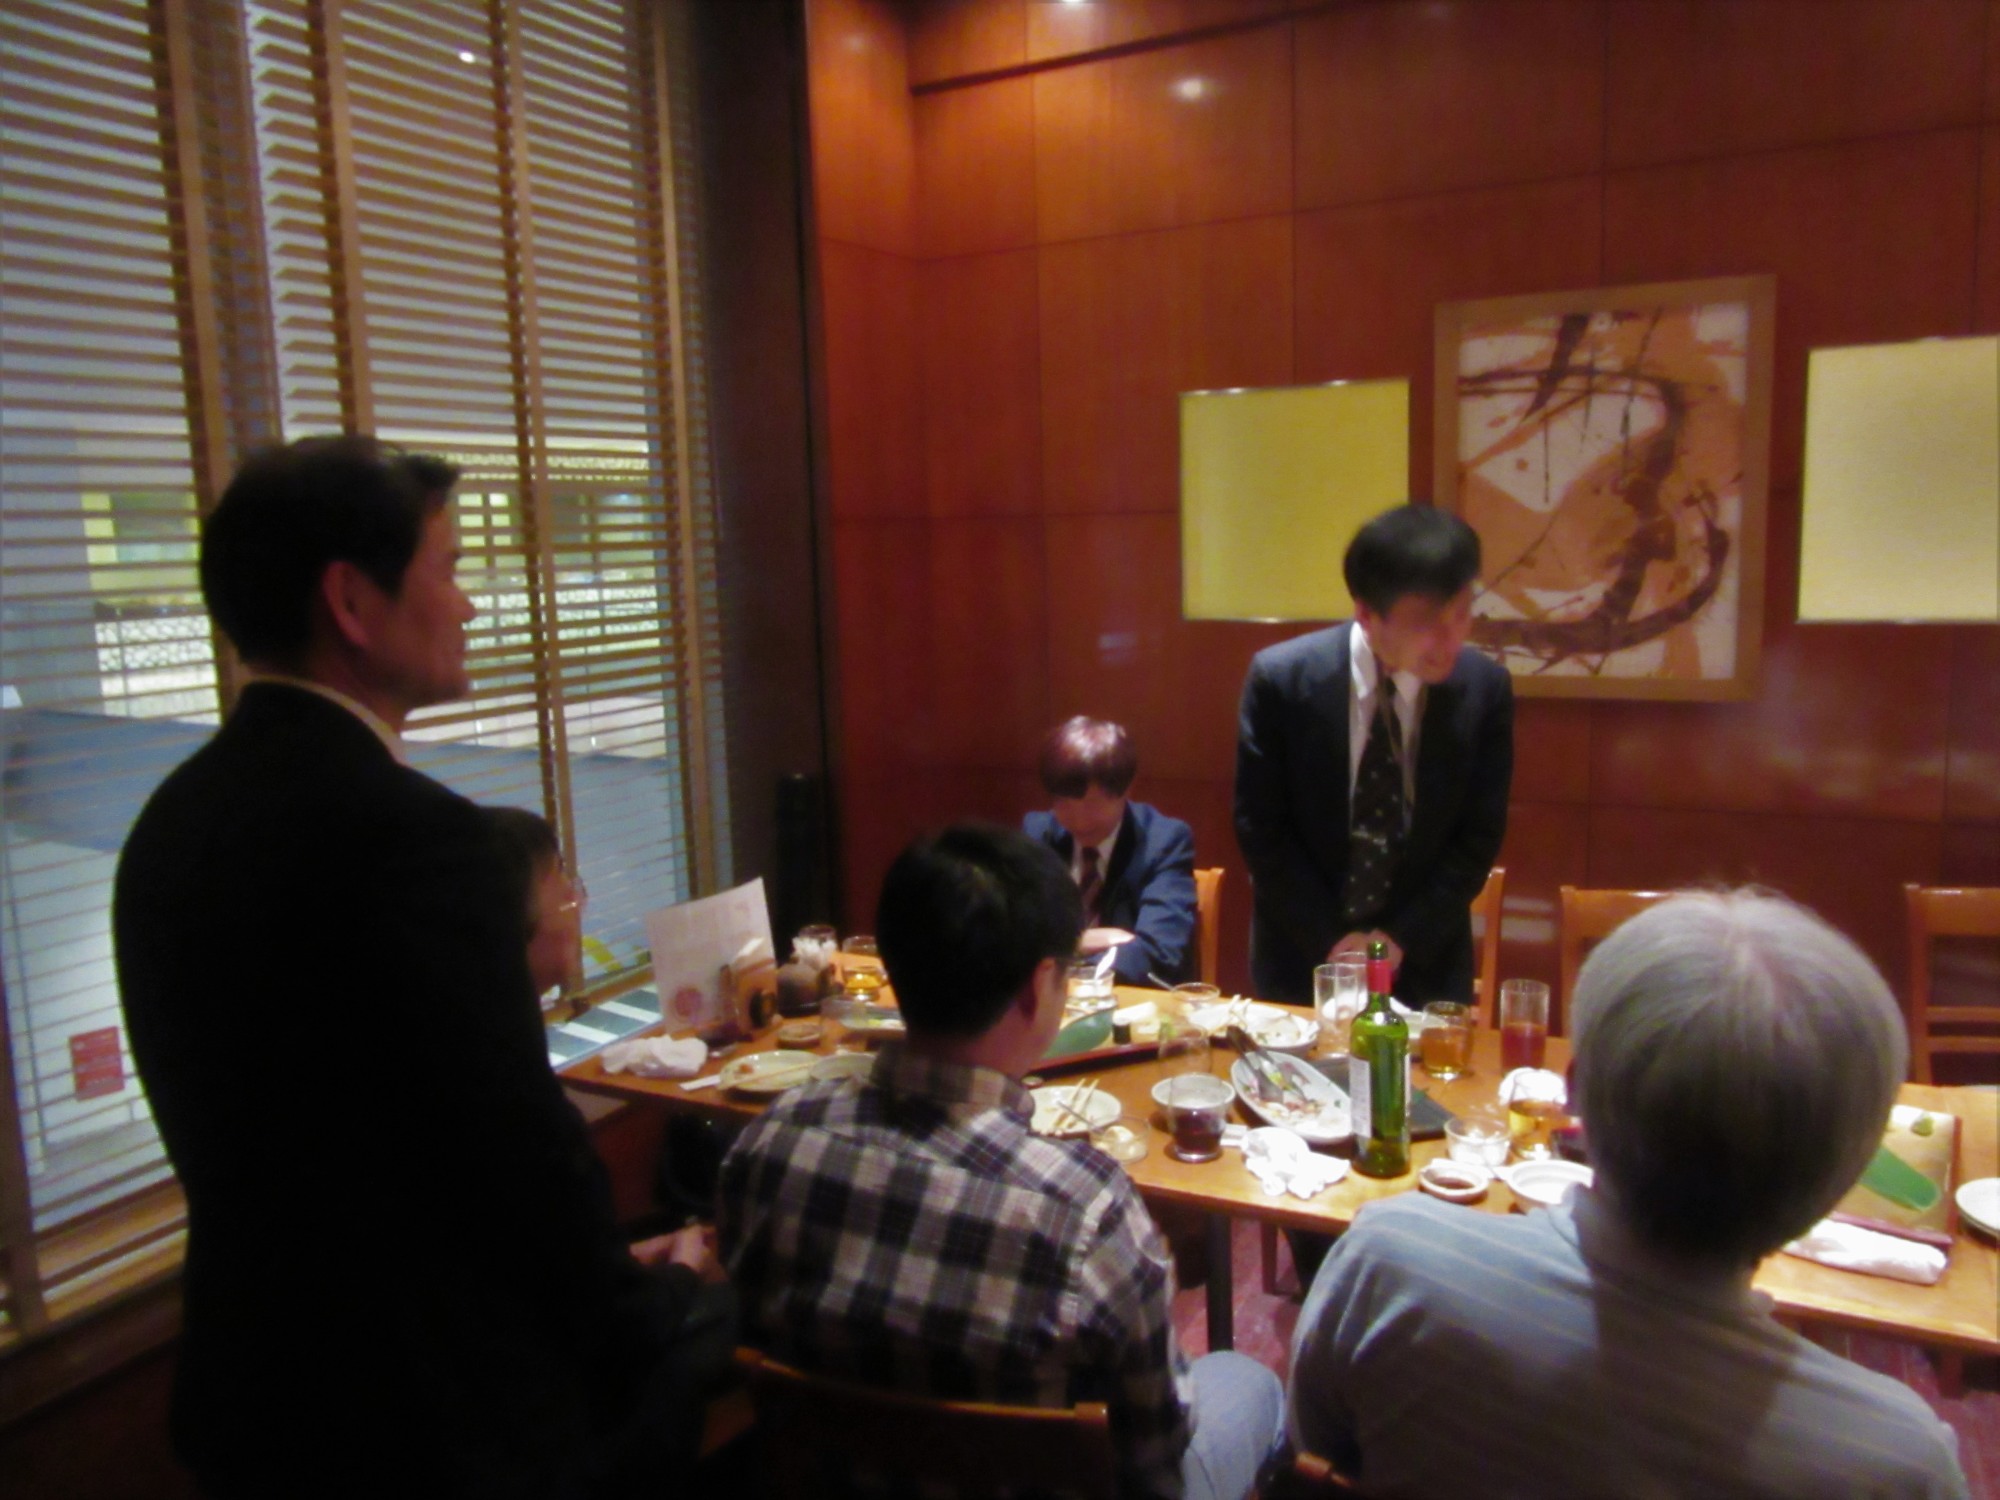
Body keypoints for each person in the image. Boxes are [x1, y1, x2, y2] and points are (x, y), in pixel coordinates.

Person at [115, 435, 727, 1499]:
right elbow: (514, 1153)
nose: (471, 605)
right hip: (439, 1419)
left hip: (257, 1398)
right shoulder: (418, 840)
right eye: (447, 569)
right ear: (352, 602)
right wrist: (656, 1298)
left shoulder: (168, 824)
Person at [1288, 889, 1970, 1499]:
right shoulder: (1898, 1464)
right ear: (1844, 1177)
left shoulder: (1388, 1263)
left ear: (1573, 1097)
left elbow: (1314, 1456)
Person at [716, 823, 1284, 1500]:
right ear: (1038, 986)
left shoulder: (772, 1141)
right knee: (1248, 1382)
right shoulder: (1087, 1211)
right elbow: (1155, 1459)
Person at [1234, 504, 1512, 1005]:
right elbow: (1262, 830)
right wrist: (1335, 944)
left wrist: (1396, 942)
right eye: (1426, 621)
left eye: (1461, 613)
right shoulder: (1282, 681)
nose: (1451, 639)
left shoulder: (1485, 688)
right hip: (1303, 959)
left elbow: (1478, 837)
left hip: (1425, 963)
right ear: (1366, 613)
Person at [1023, 716, 1198, 986]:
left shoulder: (1164, 841)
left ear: (1126, 789)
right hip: (1051, 1001)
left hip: (1132, 1000)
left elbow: (1159, 952)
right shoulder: (1039, 833)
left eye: (1092, 804)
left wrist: (1064, 963)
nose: (1079, 821)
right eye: (1062, 803)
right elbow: (1013, 937)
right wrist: (1078, 941)